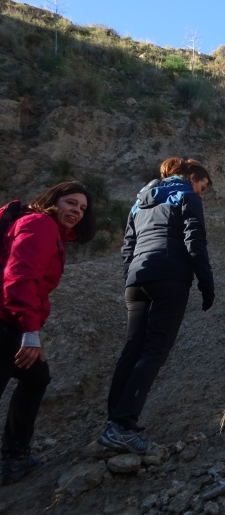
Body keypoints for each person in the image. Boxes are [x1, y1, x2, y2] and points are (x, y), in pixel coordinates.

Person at [101, 157, 215, 454]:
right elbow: (195, 240)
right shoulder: (187, 196)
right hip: (170, 277)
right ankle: (123, 427)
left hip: (137, 280)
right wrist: (206, 282)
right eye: (202, 187)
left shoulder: (140, 201)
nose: (201, 193)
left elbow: (128, 246)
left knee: (132, 349)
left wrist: (130, 278)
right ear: (192, 177)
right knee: (154, 351)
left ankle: (114, 422)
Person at [0, 183, 96, 485]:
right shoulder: (40, 224)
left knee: (37, 377)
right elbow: (19, 278)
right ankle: (13, 459)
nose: (76, 211)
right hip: (6, 322)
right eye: (71, 203)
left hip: (12, 321)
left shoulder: (48, 231)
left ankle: (15, 457)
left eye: (82, 208)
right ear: (53, 201)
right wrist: (30, 331)